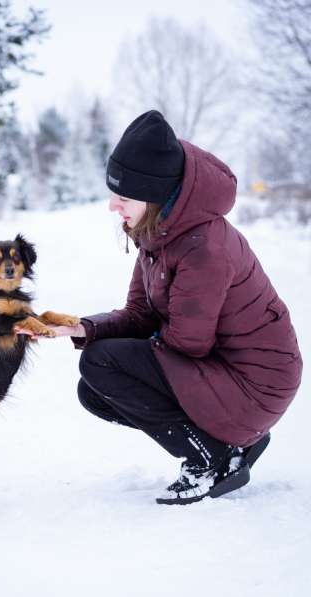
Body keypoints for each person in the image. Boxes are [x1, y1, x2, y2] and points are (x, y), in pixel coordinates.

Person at [17, 110, 303, 505]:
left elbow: (188, 345)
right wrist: (80, 328)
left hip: (255, 384)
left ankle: (213, 457)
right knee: (96, 390)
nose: (112, 207)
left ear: (154, 195)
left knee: (103, 364)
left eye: (123, 197)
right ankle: (223, 445)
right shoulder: (160, 234)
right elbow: (140, 316)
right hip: (229, 372)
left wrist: (120, 347)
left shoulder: (203, 247)